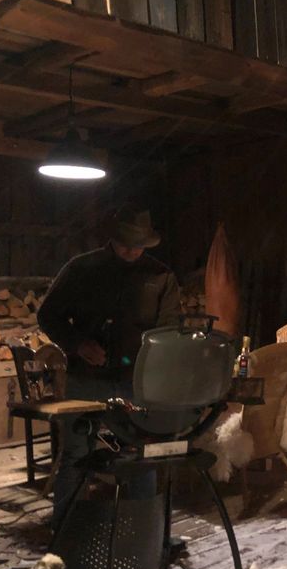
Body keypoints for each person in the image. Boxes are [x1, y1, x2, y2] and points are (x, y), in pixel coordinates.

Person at [38, 206, 181, 527]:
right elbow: (47, 315)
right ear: (113, 238)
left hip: (137, 382)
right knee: (76, 454)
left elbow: (170, 329)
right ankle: (66, 531)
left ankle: (141, 532)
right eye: (125, 243)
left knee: (140, 454)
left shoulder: (160, 277)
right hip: (87, 378)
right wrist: (77, 344)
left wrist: (155, 363)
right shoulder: (81, 269)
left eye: (138, 244)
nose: (131, 250)